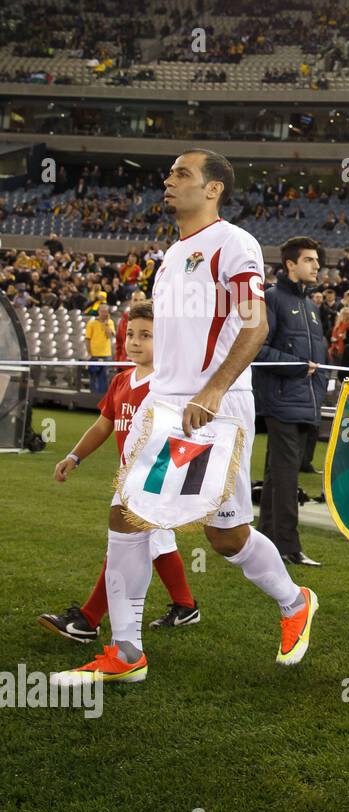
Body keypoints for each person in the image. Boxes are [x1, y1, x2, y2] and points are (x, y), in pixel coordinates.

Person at [52, 148, 317, 687]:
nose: (168, 181)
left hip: (214, 409)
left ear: (214, 188)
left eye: (182, 174)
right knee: (126, 516)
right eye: (170, 173)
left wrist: (214, 389)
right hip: (165, 407)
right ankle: (127, 650)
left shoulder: (233, 243)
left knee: (227, 538)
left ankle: (295, 600)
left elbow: (255, 323)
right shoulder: (173, 255)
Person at [39, 301, 200, 642]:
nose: (136, 341)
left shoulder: (169, 384)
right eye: (131, 334)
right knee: (155, 542)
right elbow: (103, 425)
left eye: (147, 335)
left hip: (153, 477)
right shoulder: (121, 381)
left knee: (123, 547)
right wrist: (74, 456)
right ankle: (185, 606)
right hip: (130, 477)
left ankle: (88, 619)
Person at [254, 236, 328, 567]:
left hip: (305, 402)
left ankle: (264, 538)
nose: (317, 266)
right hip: (282, 400)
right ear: (290, 265)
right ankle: (287, 545)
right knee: (286, 476)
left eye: (316, 261)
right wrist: (299, 367)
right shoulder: (271, 298)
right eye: (310, 260)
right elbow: (258, 349)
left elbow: (321, 357)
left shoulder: (312, 308)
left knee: (276, 474)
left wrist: (319, 381)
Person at [84, 304, 115, 393]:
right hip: (94, 355)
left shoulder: (110, 322)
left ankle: (103, 397)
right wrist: (89, 353)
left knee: (104, 377)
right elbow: (87, 339)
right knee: (93, 377)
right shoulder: (91, 323)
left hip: (106, 355)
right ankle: (93, 396)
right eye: (102, 311)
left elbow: (109, 335)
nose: (104, 314)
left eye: (106, 312)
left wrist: (106, 324)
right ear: (99, 312)